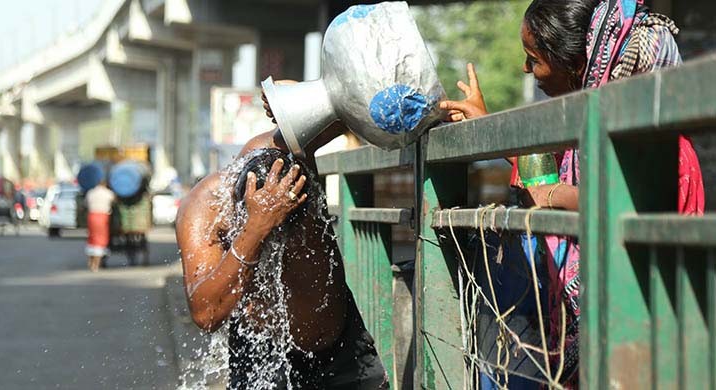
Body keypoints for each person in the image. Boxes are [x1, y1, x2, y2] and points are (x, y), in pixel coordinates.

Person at [439, 0, 705, 386]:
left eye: (534, 59)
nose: (526, 69)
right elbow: (545, 169)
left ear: (575, 64)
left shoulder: (654, 139)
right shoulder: (587, 134)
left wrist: (555, 196)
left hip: (651, 344)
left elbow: (628, 201)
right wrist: (485, 126)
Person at [176, 117, 389, 388]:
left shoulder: (292, 145)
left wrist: (439, 115)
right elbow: (205, 315)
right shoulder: (206, 206)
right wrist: (255, 231)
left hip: (340, 349)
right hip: (261, 351)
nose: (282, 244)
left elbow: (353, 107)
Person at [85, 181, 115, 272]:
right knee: (100, 240)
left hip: (91, 216)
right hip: (102, 217)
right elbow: (115, 201)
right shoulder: (108, 193)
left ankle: (91, 261)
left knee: (92, 238)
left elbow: (85, 204)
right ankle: (96, 265)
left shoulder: (90, 192)